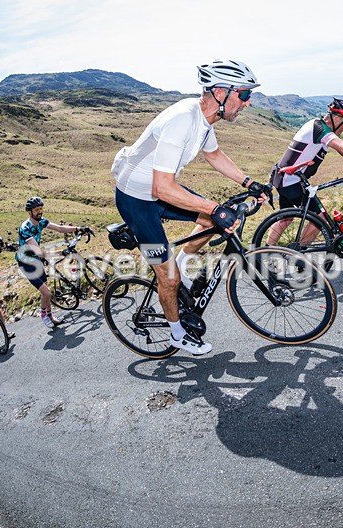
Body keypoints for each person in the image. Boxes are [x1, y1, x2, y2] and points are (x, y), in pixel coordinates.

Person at [111, 59, 267, 355]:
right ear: (221, 92)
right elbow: (163, 188)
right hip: (137, 199)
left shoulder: (205, 120)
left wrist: (250, 183)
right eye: (245, 95)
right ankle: (176, 333)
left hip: (159, 191)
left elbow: (215, 155)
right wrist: (216, 208)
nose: (247, 103)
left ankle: (179, 267)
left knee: (211, 220)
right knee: (168, 276)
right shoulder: (183, 119)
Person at [263, 98, 343, 245]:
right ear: (337, 118)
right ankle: (300, 255)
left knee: (285, 219)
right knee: (320, 219)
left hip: (285, 178)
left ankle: (265, 253)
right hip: (290, 181)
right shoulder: (320, 129)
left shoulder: (316, 125)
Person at [15, 197, 88, 329]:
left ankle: (50, 315)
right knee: (47, 293)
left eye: (41, 209)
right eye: (36, 210)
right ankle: (43, 315)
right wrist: (61, 253)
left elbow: (60, 228)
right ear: (29, 212)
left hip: (36, 260)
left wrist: (78, 228)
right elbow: (40, 253)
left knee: (46, 291)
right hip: (26, 263)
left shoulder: (41, 222)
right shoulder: (25, 228)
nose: (40, 212)